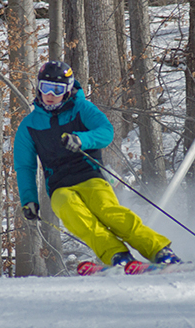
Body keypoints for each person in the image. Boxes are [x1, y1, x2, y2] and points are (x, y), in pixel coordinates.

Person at [13, 60, 182, 270]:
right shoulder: (29, 125)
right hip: (59, 186)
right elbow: (24, 166)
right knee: (76, 216)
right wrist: (29, 199)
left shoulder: (81, 108)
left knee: (108, 212)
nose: (50, 94)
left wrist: (82, 140)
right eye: (45, 87)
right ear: (38, 88)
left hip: (90, 176)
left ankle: (159, 250)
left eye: (57, 89)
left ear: (67, 90)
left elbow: (106, 131)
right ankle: (116, 255)